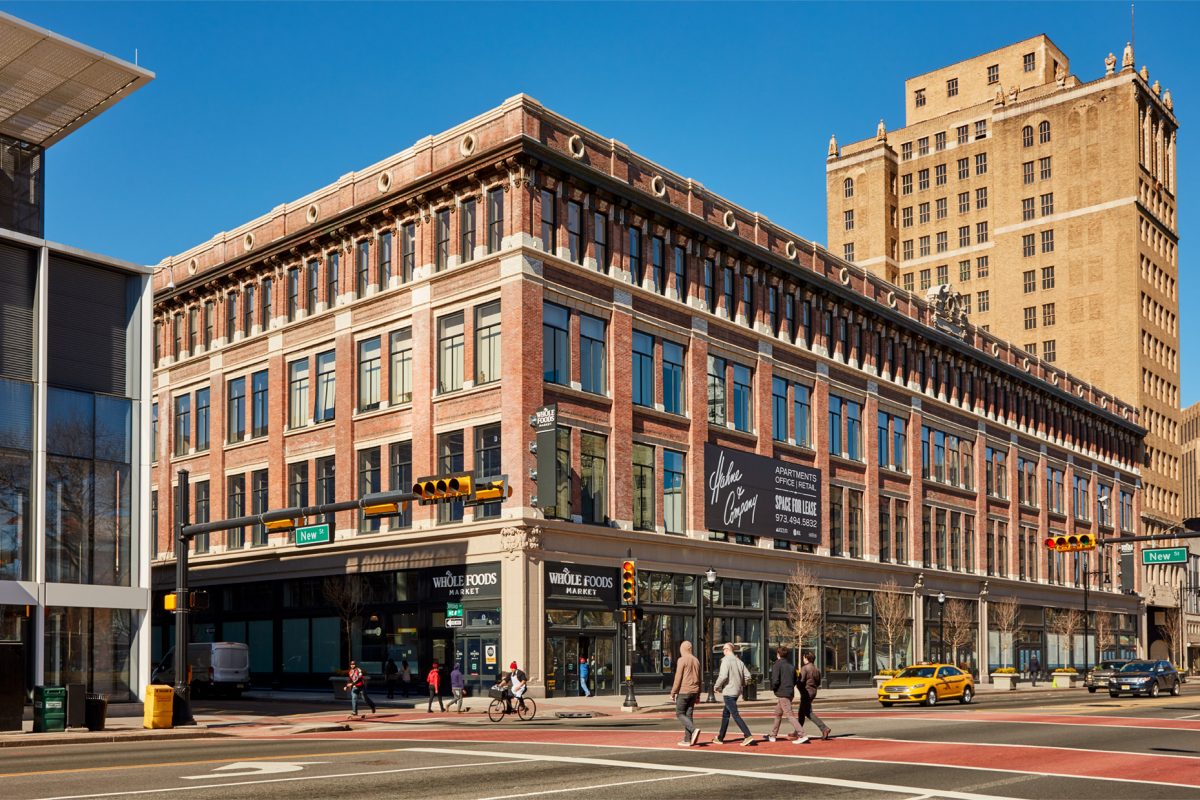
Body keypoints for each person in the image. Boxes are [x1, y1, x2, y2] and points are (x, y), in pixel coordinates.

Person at [712, 642, 754, 746]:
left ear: (726, 650)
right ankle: (720, 737)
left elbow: (723, 676)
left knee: (734, 714)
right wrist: (741, 684)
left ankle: (748, 735)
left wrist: (716, 686)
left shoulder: (725, 660)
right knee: (726, 714)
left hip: (728, 691)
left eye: (723, 649)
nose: (723, 651)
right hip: (736, 691)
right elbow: (748, 676)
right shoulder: (739, 661)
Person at [766, 647, 809, 744]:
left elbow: (775, 680)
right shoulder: (791, 665)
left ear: (778, 654)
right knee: (778, 713)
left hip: (782, 693)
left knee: (789, 714)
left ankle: (802, 734)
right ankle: (773, 735)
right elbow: (795, 679)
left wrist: (774, 688)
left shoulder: (777, 664)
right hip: (789, 692)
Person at [669, 640, 702, 747]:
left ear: (682, 649)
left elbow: (678, 677)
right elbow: (699, 679)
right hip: (694, 691)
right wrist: (698, 695)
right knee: (689, 715)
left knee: (679, 713)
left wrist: (673, 692)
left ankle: (693, 730)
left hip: (684, 690)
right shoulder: (696, 660)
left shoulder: (682, 660)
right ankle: (687, 739)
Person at [798, 652, 831, 740]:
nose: (803, 659)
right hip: (813, 691)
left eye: (804, 658)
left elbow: (801, 681)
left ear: (807, 659)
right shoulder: (816, 669)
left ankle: (824, 728)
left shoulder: (805, 668)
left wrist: (798, 686)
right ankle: (797, 730)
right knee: (801, 712)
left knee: (808, 712)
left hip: (806, 691)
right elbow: (818, 682)